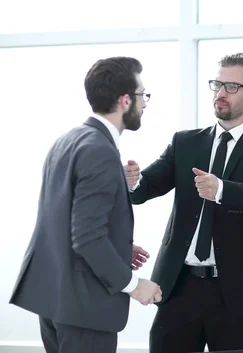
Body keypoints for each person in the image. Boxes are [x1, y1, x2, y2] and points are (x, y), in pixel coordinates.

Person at [124, 52, 243, 353]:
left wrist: (222, 190)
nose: (220, 93)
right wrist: (132, 182)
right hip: (180, 286)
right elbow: (144, 189)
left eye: (231, 86)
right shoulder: (185, 142)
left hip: (240, 291)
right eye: (217, 84)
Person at [9, 56, 162, 353]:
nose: (145, 103)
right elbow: (88, 238)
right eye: (142, 95)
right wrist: (133, 285)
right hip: (85, 310)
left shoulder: (70, 139)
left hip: (57, 302)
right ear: (124, 101)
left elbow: (66, 221)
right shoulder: (99, 150)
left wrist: (117, 248)